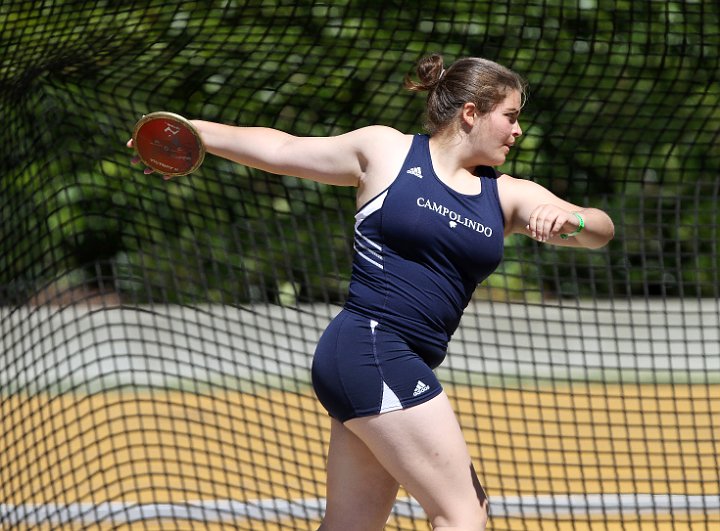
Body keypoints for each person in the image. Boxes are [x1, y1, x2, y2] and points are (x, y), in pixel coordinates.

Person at [128, 53, 614, 530]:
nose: (517, 130)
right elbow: (280, 148)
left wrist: (572, 220)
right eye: (509, 116)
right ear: (471, 113)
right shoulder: (387, 151)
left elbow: (600, 229)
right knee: (463, 514)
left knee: (351, 524)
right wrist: (192, 131)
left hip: (386, 359)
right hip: (373, 346)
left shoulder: (505, 195)